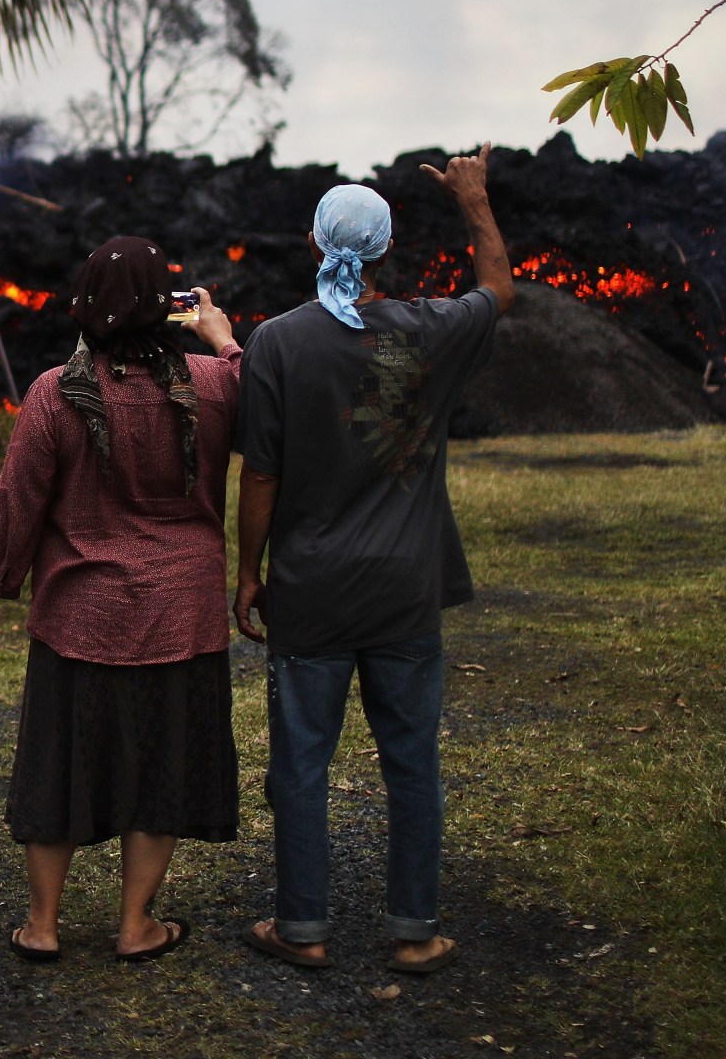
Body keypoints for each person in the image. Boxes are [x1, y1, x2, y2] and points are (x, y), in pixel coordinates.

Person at [232, 145, 516, 975]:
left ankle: (304, 929)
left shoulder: (277, 343)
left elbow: (262, 473)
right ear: (387, 250)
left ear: (317, 247)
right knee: (411, 763)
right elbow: (500, 291)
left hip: (311, 590)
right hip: (403, 591)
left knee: (301, 763)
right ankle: (416, 932)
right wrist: (473, 200)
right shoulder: (432, 329)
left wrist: (249, 572)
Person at [0, 236, 244, 963]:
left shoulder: (56, 392)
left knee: (59, 771)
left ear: (84, 305)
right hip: (182, 618)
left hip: (79, 622)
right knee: (161, 774)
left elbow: (17, 502)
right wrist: (227, 341)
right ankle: (136, 926)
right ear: (166, 309)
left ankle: (44, 926)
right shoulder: (216, 385)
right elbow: (271, 417)